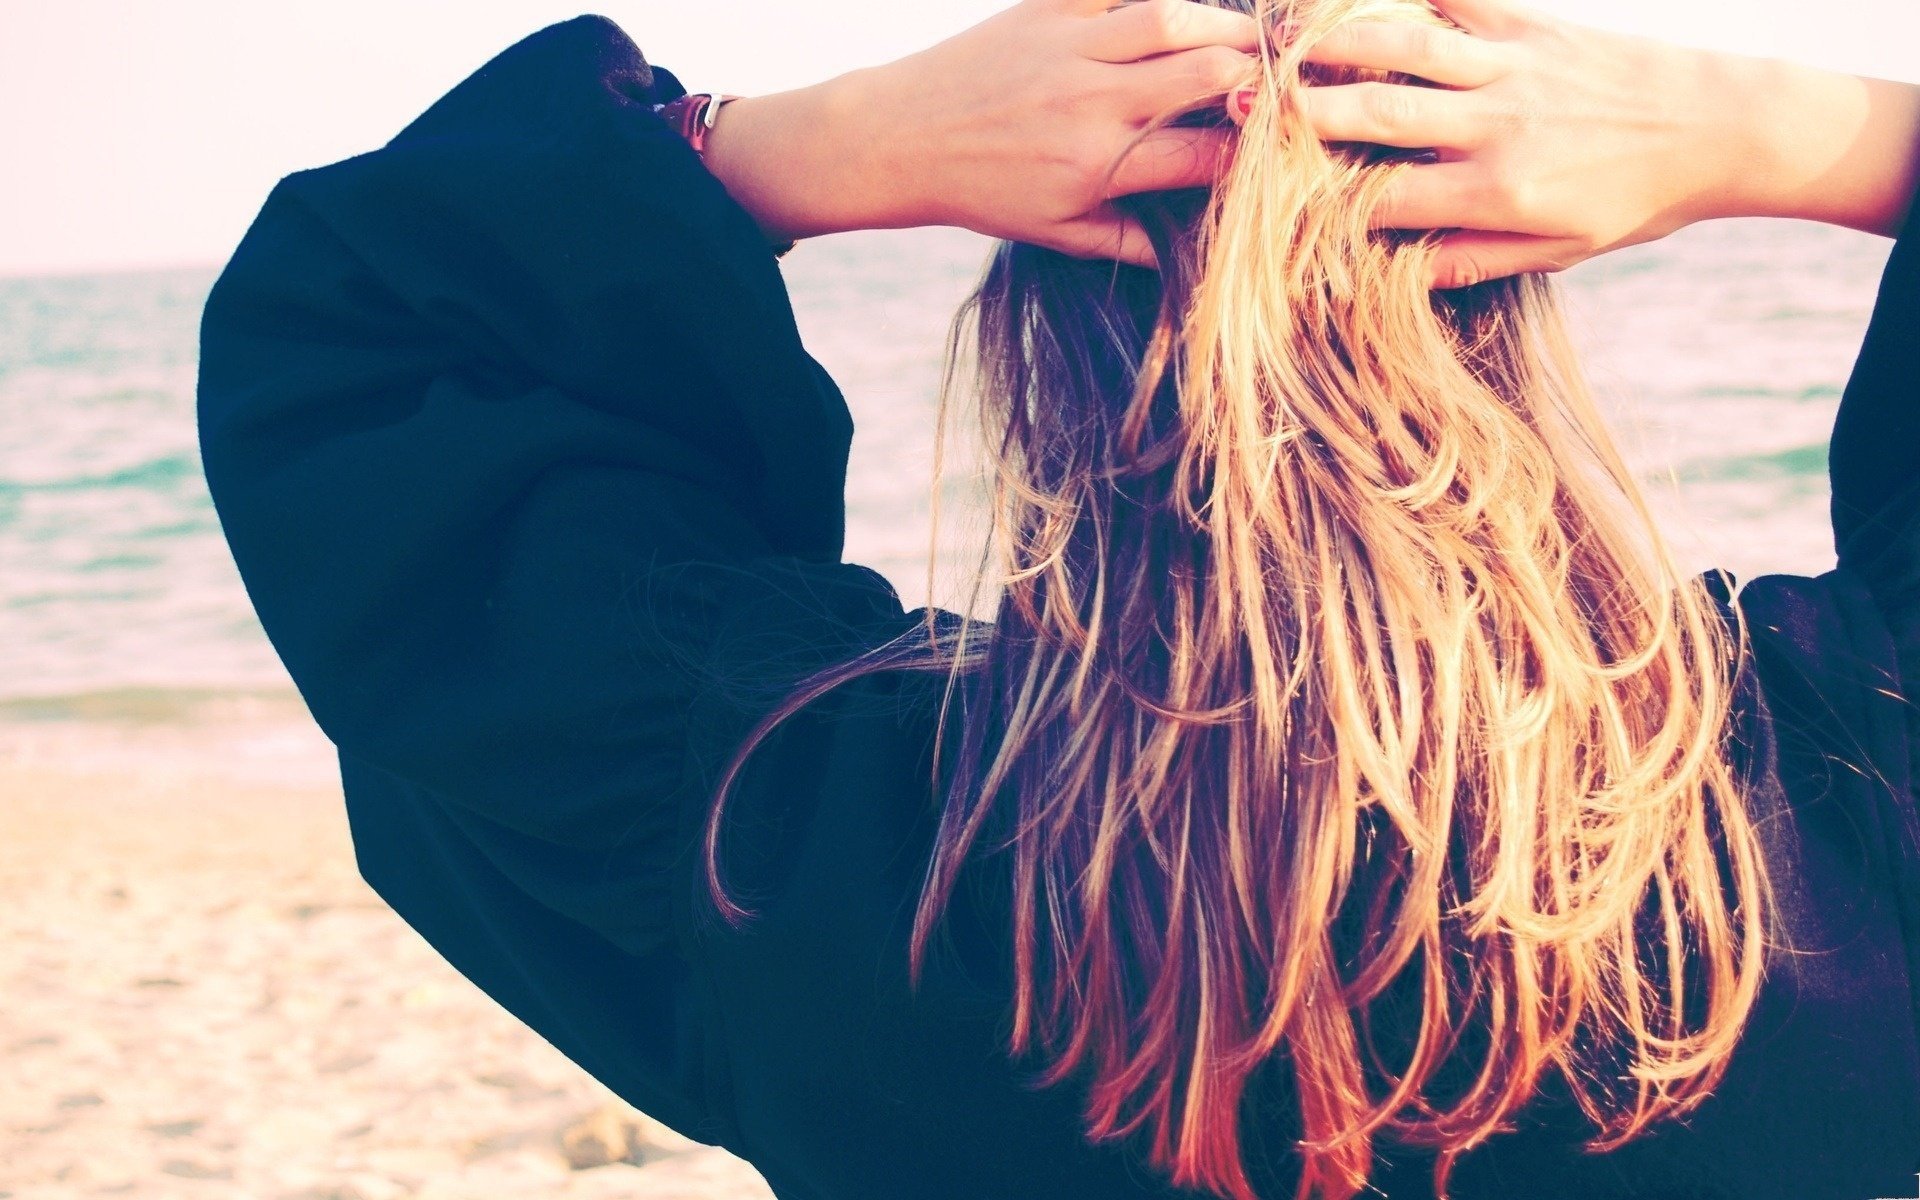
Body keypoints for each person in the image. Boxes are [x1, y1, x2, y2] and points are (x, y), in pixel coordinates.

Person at [196, 0, 1920, 1195]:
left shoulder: (780, 826)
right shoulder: (1857, 795)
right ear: (1527, 294)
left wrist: (775, 149)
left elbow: (361, 336)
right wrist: (1797, 131)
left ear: (1026, 341)